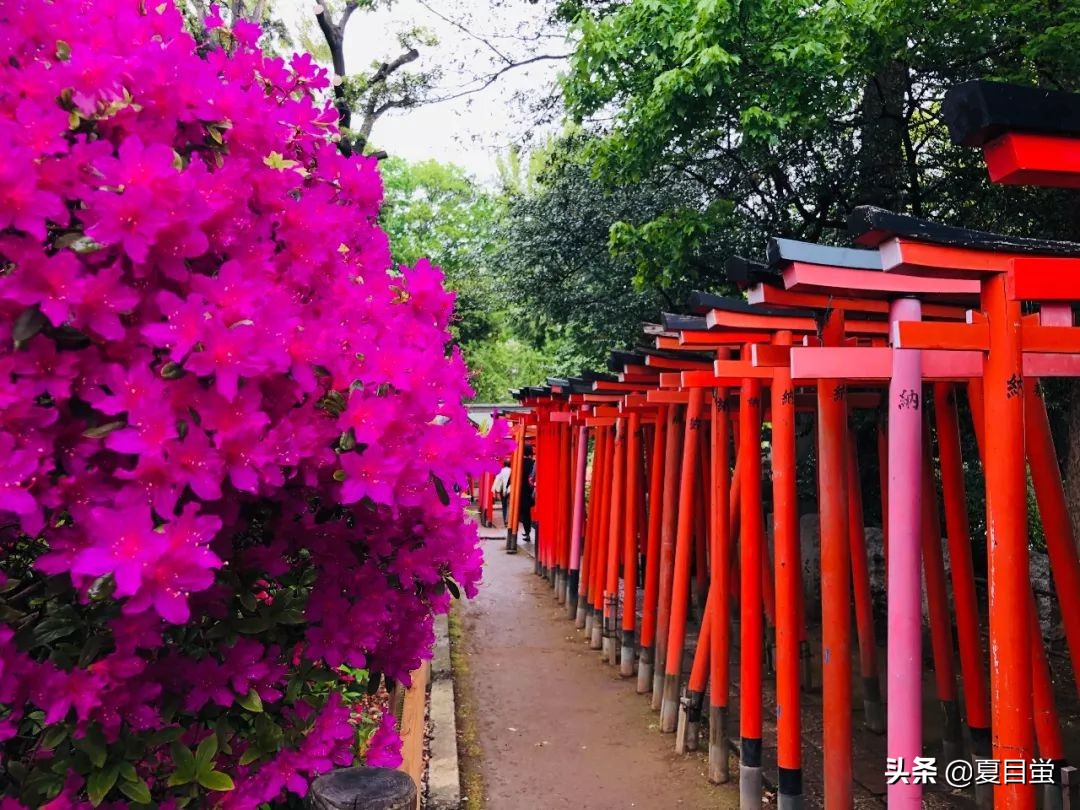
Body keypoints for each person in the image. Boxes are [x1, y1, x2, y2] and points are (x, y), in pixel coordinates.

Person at [491, 458, 511, 528]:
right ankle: (511, 520)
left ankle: (505, 520)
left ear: (504, 464)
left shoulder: (501, 471)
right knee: (510, 505)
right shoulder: (512, 471)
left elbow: (497, 480)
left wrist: (494, 490)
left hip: (503, 490)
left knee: (504, 505)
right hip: (511, 490)